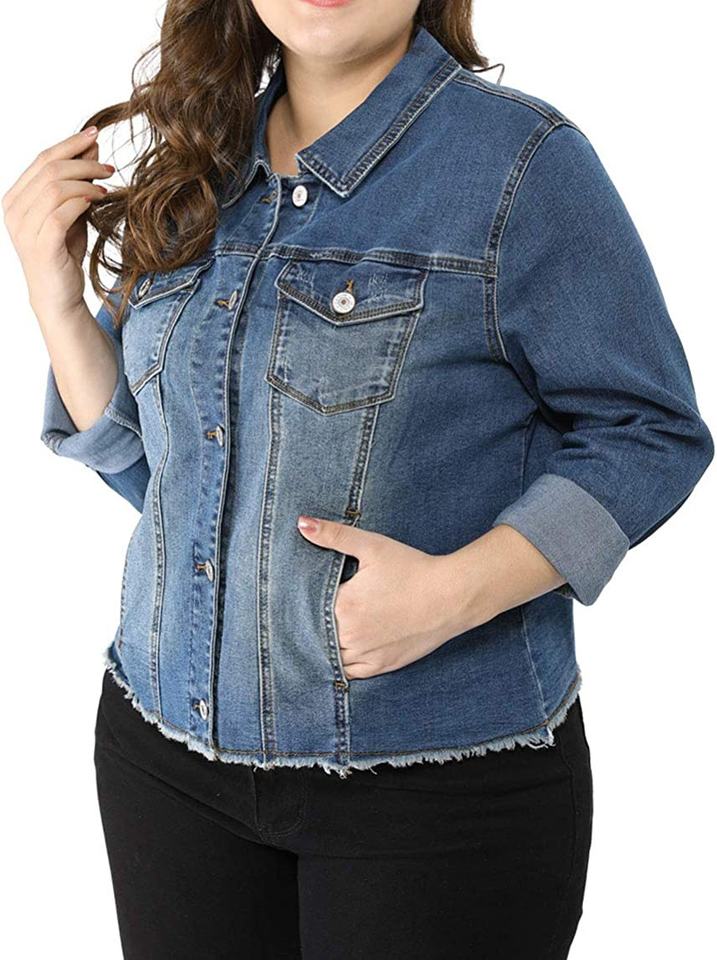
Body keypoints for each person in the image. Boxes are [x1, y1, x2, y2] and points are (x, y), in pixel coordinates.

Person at [4, 1, 713, 957]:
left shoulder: (519, 166)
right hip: (163, 763)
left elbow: (648, 429)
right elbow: (163, 476)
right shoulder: (199, 158)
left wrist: (456, 592)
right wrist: (55, 298)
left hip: (431, 790)